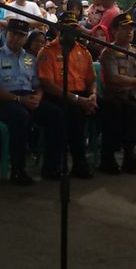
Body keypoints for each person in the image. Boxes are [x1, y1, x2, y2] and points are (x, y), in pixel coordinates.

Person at [0, 18, 65, 185]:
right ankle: (18, 170)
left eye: (21, 35)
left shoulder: (30, 59)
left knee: (57, 115)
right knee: (20, 117)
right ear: (7, 34)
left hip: (28, 97)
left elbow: (37, 84)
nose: (16, 39)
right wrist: (19, 99)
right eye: (13, 34)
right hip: (4, 100)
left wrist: (38, 97)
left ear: (26, 38)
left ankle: (51, 167)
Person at [37, 11, 98, 179]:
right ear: (58, 30)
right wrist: (78, 100)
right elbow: (48, 85)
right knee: (72, 114)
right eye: (67, 28)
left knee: (112, 108)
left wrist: (93, 95)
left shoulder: (84, 52)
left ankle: (109, 158)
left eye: (74, 28)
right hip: (57, 97)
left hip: (82, 96)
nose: (71, 32)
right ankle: (64, 165)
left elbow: (92, 79)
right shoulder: (47, 52)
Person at [97, 13, 136, 174]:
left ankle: (130, 156)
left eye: (131, 29)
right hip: (113, 96)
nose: (129, 32)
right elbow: (113, 79)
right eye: (124, 29)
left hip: (133, 96)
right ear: (114, 31)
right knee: (116, 109)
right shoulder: (109, 52)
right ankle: (108, 157)